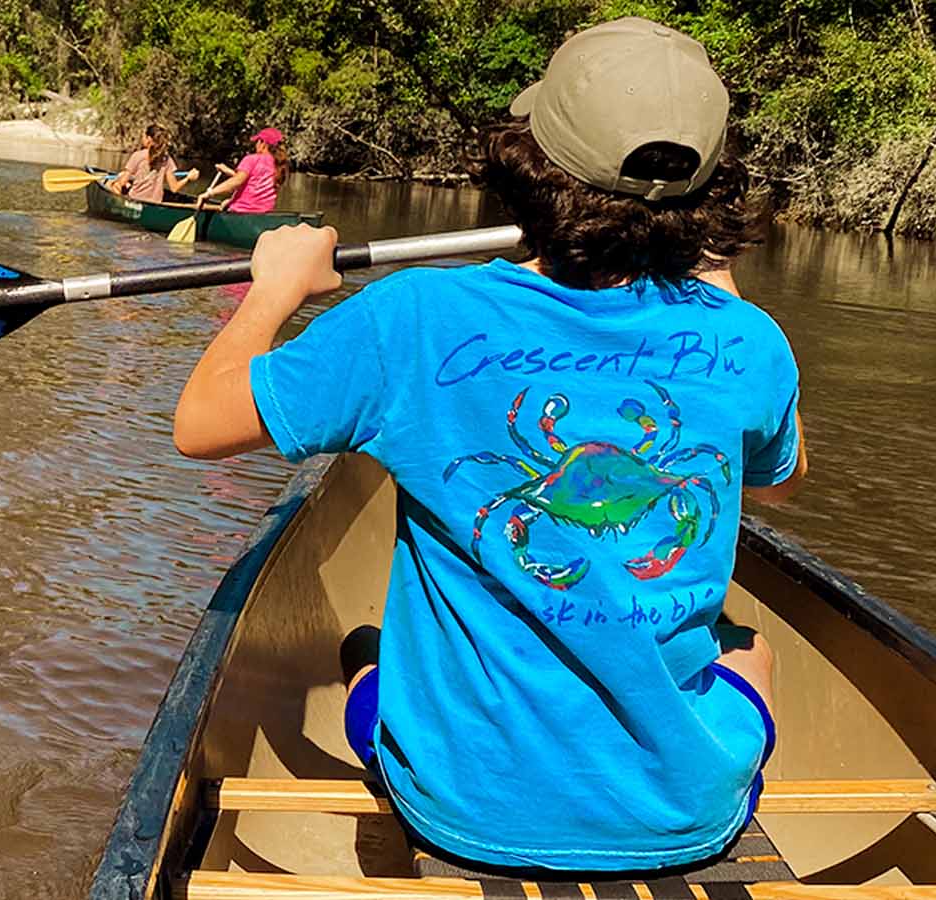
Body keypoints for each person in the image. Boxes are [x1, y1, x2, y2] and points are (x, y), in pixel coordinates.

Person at [171, 17, 807, 875]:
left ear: (529, 160)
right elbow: (777, 479)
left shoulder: (414, 318)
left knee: (366, 647)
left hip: (459, 809)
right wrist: (720, 286)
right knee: (750, 648)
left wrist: (273, 290)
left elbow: (200, 424)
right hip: (683, 818)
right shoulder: (750, 341)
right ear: (711, 195)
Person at [192, 127, 286, 214]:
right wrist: (228, 171)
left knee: (225, 204)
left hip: (241, 210)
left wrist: (209, 193)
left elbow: (236, 181)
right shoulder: (279, 166)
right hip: (264, 213)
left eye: (257, 141)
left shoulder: (251, 159)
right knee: (225, 203)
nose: (256, 145)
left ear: (263, 143)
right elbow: (252, 180)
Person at [110, 125, 194, 202]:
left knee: (113, 184)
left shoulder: (137, 155)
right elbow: (174, 188)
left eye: (143, 136)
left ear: (149, 139)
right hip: (156, 201)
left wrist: (118, 179)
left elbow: (123, 182)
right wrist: (188, 178)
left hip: (135, 198)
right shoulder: (167, 159)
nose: (142, 138)